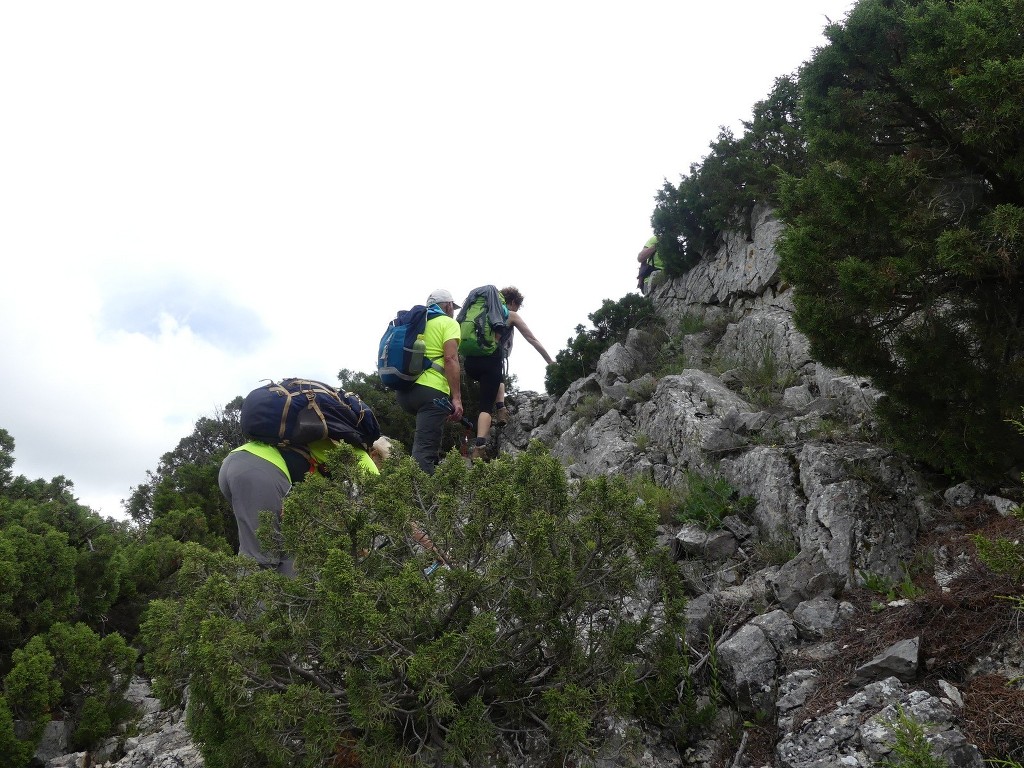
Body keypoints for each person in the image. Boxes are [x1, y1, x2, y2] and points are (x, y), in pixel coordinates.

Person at [218, 436, 385, 575]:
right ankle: (258, 614)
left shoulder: (329, 441)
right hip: (262, 470)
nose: (384, 471)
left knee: (286, 550)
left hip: (235, 463)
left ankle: (276, 611)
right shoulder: (364, 463)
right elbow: (381, 512)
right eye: (386, 465)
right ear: (375, 453)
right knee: (264, 560)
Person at [462, 286, 553, 461]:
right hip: (491, 362)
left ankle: (501, 408)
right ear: (512, 302)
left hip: (470, 363)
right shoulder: (510, 315)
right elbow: (532, 339)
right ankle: (480, 447)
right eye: (517, 306)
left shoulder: (479, 311)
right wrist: (550, 361)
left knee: (495, 380)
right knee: (485, 406)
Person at [394, 289, 464, 474]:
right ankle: (421, 499)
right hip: (431, 392)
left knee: (423, 443)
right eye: (453, 308)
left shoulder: (416, 323)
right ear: (448, 306)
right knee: (425, 452)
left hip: (404, 390)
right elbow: (450, 359)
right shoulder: (448, 323)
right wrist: (456, 398)